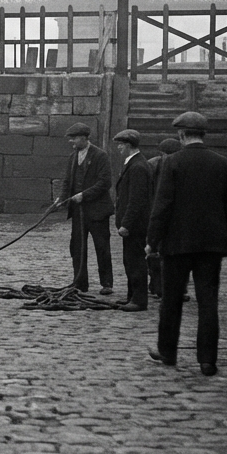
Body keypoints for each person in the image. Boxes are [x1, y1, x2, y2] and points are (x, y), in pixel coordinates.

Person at [146, 112, 227, 376]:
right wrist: (226, 235)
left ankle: (167, 352)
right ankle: (207, 360)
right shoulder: (223, 163)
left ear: (181, 135)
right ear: (203, 135)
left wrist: (152, 240)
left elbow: (162, 205)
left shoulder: (172, 163)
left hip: (177, 244)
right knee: (208, 302)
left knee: (171, 300)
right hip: (211, 245)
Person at [58, 122, 115, 294]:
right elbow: (67, 181)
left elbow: (105, 182)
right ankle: (80, 282)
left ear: (84, 138)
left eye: (74, 138)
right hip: (78, 212)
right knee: (77, 248)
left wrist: (84, 195)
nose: (71, 141)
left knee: (102, 247)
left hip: (98, 211)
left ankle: (106, 283)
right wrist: (62, 198)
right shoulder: (72, 157)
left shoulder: (100, 156)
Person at [111, 129, 154, 312]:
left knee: (136, 263)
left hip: (135, 225)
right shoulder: (133, 163)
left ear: (128, 145)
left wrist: (126, 224)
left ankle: (139, 300)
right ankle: (132, 296)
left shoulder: (137, 167)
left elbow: (137, 199)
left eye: (121, 145)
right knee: (130, 262)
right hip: (133, 225)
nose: (119, 148)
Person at [145, 138, 182, 300]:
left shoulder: (182, 166)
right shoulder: (152, 165)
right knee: (154, 251)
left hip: (176, 216)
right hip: (156, 214)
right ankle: (156, 285)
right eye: (166, 154)